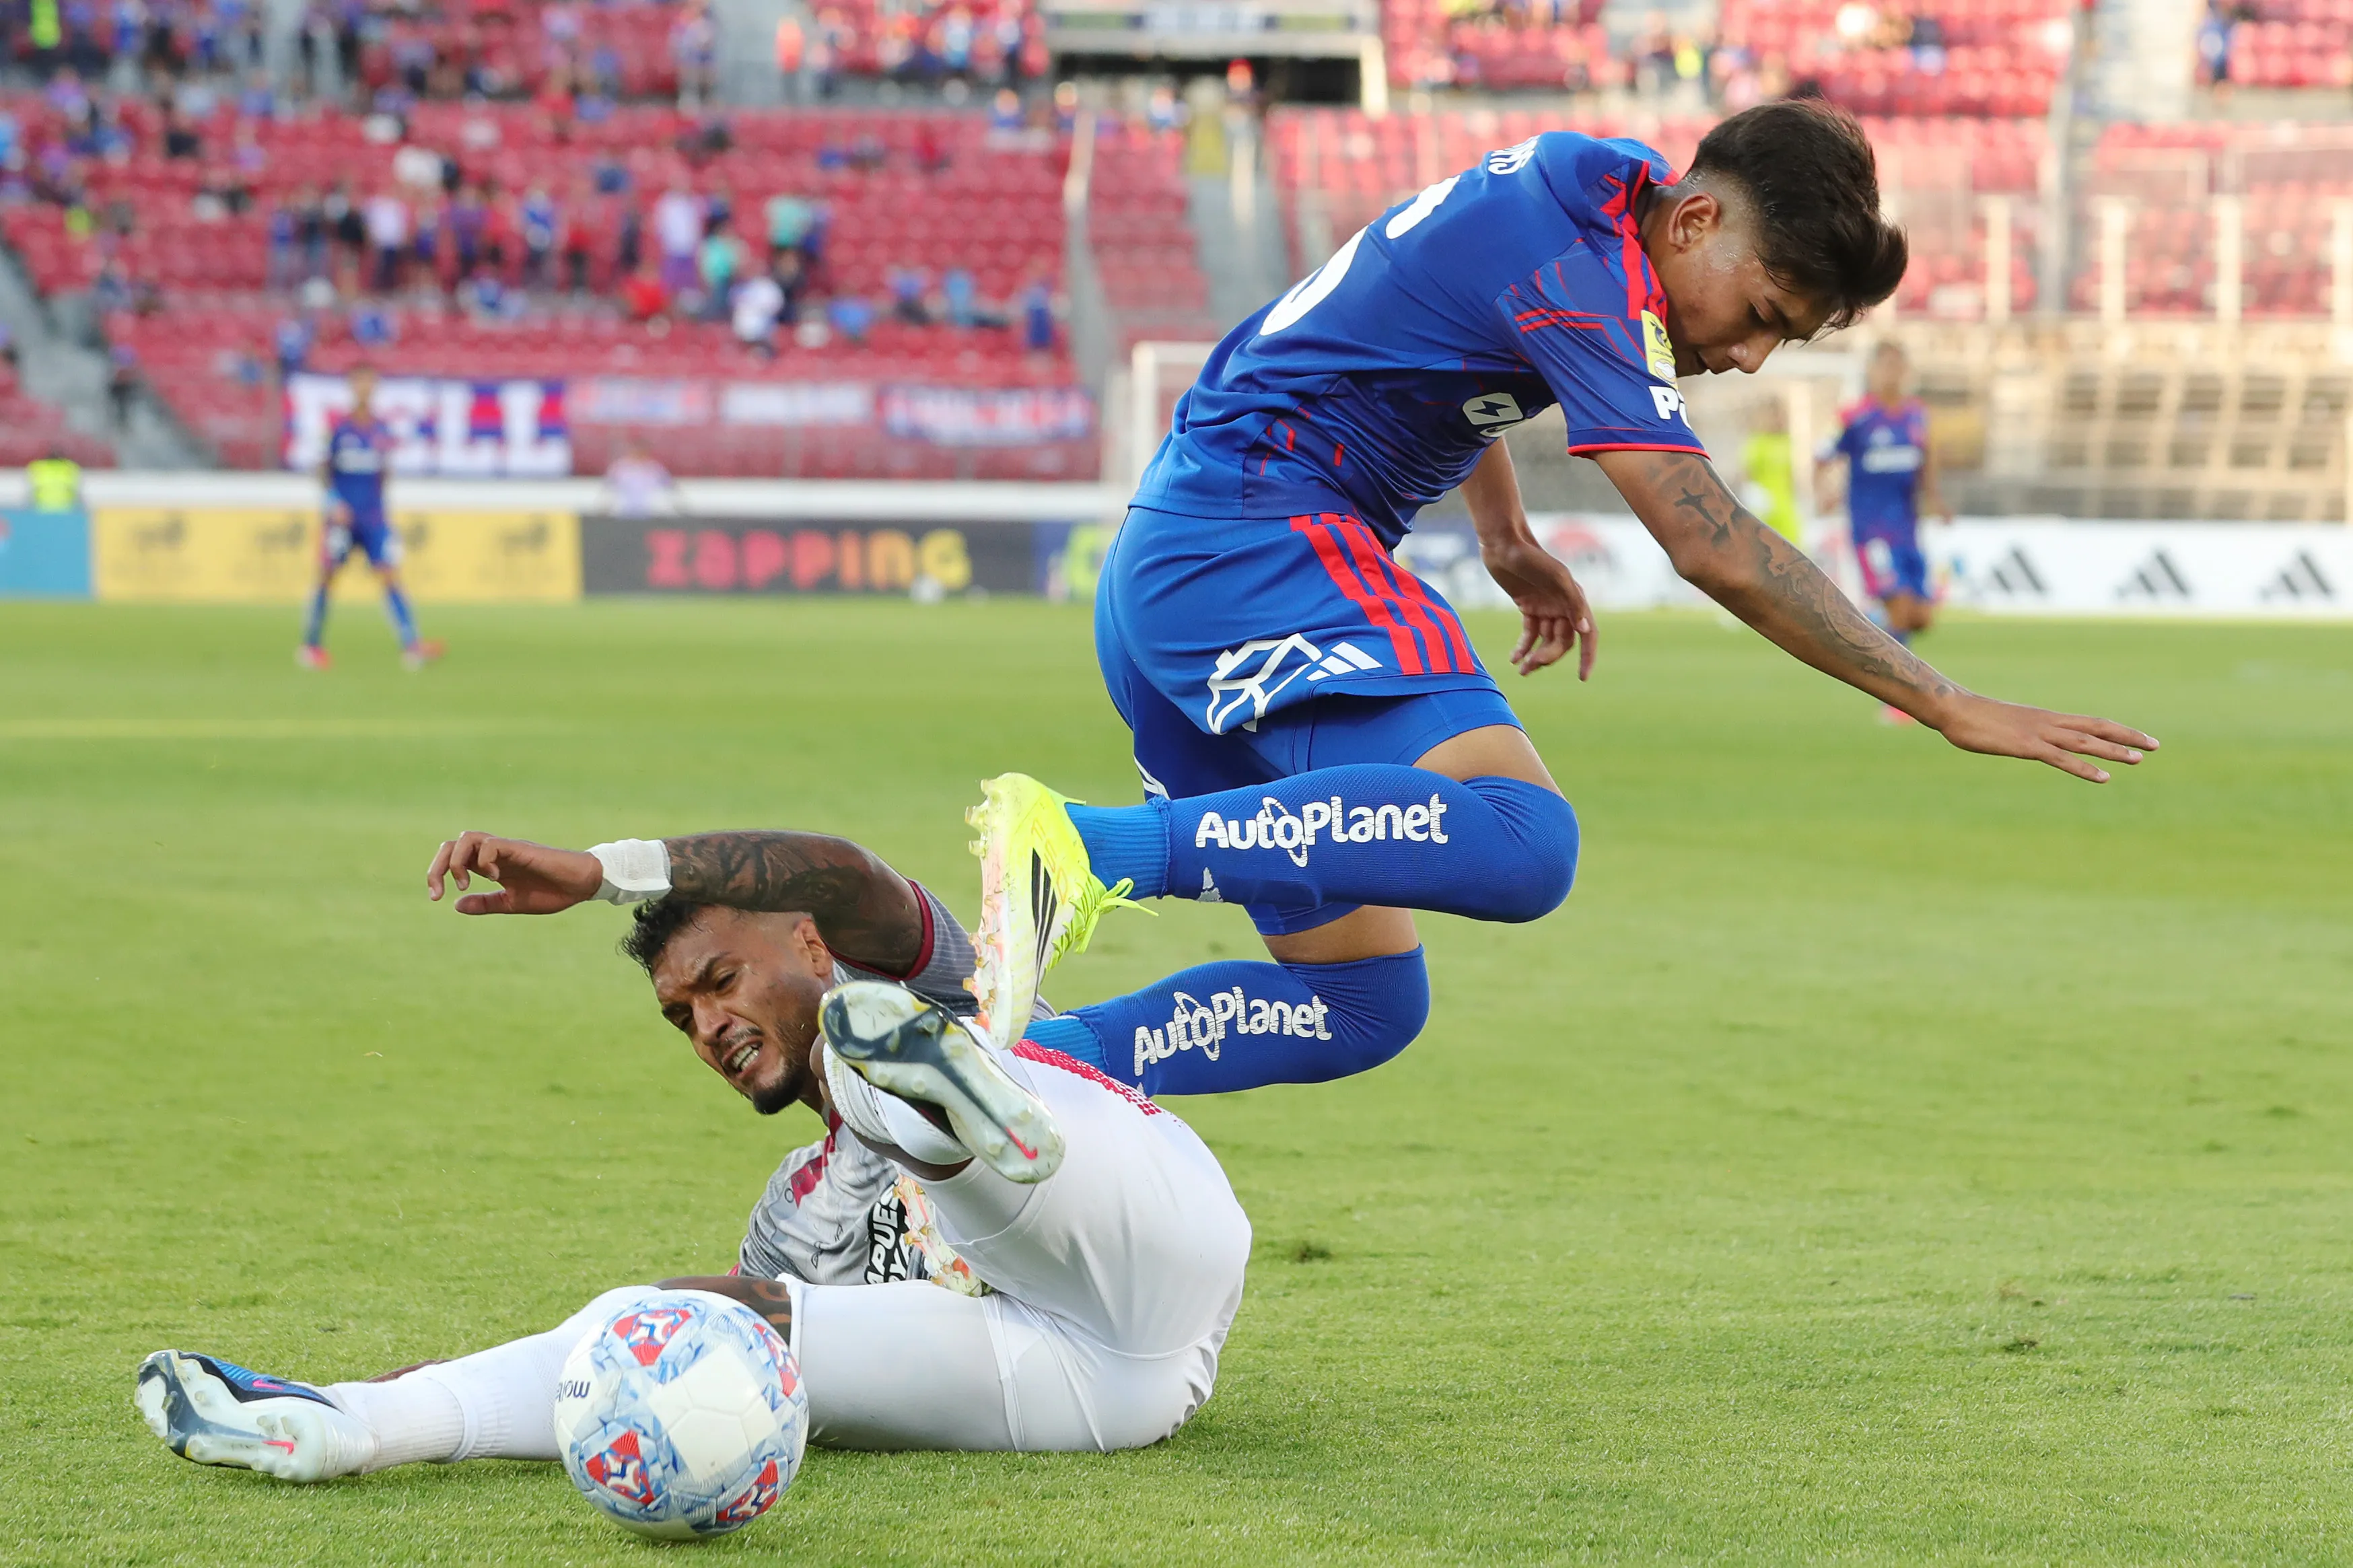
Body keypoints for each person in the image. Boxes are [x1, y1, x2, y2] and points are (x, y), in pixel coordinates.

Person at [952, 101, 2158, 1098]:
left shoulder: (1595, 193)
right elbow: (1714, 547)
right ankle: (1084, 849)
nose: (1748, 357)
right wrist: (1944, 701)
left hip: (1179, 566)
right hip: (1257, 539)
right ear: (1697, 221)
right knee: (1526, 842)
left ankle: (1013, 1073)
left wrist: (1503, 531)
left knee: (1360, 1001)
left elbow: (1444, 332)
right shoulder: (1587, 271)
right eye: (1761, 316)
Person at [135, 824, 1250, 1468]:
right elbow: (720, 1352)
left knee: (864, 1059)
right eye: (683, 1016)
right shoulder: (794, 1215)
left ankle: (943, 1095)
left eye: (722, 982)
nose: (710, 1026)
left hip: (1139, 1211)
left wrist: (606, 869)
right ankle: (346, 1425)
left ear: (811, 944)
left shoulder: (942, 979)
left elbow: (844, 870)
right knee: (654, 1326)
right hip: (1090, 1387)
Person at [1817, 341, 1951, 694]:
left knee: (1921, 618)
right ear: (1872, 371)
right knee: (1901, 610)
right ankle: (1897, 696)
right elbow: (1822, 456)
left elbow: (1926, 459)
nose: (1892, 373)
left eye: (1898, 365)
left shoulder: (1917, 415)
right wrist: (1825, 493)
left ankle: (1862, 628)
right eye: (1886, 365)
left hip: (1907, 530)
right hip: (1871, 530)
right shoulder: (1855, 416)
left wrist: (1936, 500)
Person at [299, 366, 444, 672]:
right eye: (359, 382)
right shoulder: (338, 429)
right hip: (342, 520)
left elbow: (384, 473)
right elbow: (322, 471)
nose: (365, 387)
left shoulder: (381, 430)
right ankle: (311, 646)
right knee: (327, 576)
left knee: (390, 574)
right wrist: (334, 503)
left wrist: (381, 508)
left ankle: (411, 645)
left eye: (370, 382)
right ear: (351, 386)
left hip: (374, 519)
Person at [1738, 396, 1802, 544]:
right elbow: (1747, 474)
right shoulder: (1757, 442)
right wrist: (1754, 495)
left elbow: (1790, 475)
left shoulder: (1786, 441)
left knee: (1791, 545)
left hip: (1785, 505)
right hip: (1765, 506)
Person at [601, 438, 678, 517]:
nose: (639, 453)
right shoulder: (619, 467)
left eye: (642, 451)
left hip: (649, 511)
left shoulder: (655, 468)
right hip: (623, 510)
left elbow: (670, 486)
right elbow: (608, 488)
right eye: (637, 451)